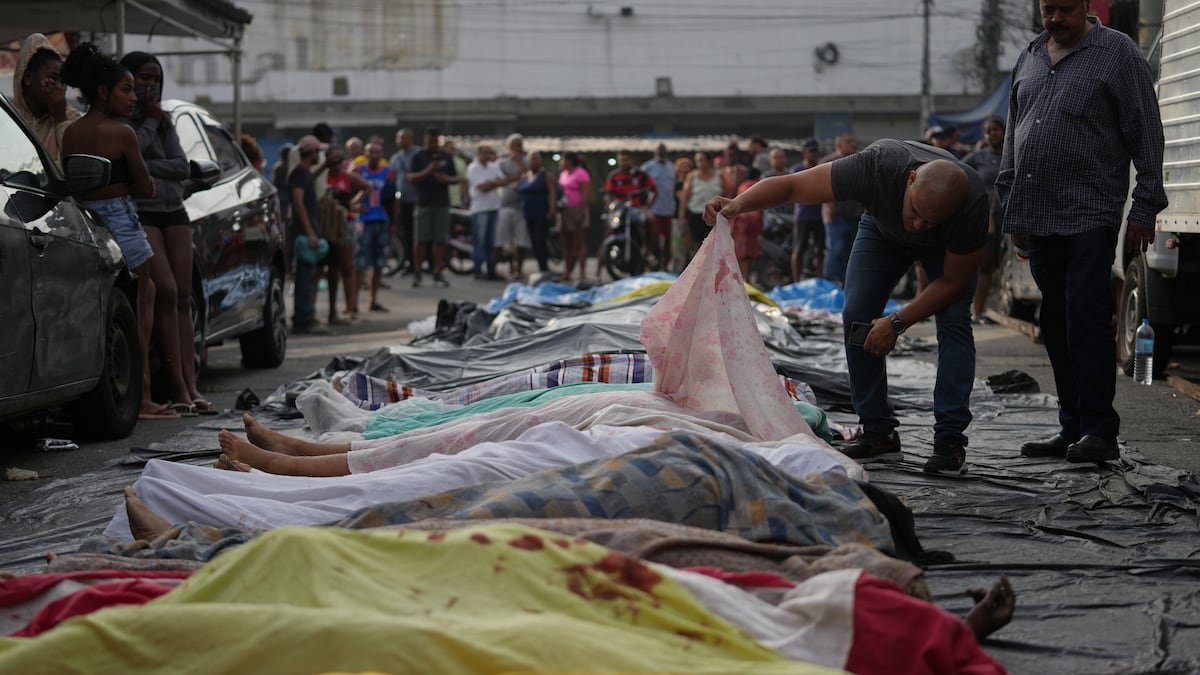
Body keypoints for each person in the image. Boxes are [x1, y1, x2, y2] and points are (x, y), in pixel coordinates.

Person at [707, 139, 989, 475]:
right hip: (882, 232)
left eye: (930, 221)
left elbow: (952, 283)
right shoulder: (876, 167)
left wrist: (897, 322)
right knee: (857, 314)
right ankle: (877, 430)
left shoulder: (971, 202)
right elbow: (791, 186)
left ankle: (950, 440)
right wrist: (738, 204)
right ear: (910, 179)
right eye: (915, 212)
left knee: (954, 320)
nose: (917, 226)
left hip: (943, 250)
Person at [999, 0, 1167, 464]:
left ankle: (1099, 429)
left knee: (1086, 317)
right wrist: (1014, 210)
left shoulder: (1118, 54)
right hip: (1038, 213)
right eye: (1048, 9)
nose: (1055, 19)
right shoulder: (1030, 56)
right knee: (1053, 322)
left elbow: (1146, 132)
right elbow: (1015, 134)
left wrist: (1146, 205)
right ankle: (1071, 426)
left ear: (1086, 7)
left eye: (1066, 9)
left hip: (1090, 211)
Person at [60, 43, 170, 420]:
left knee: (116, 307)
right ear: (103, 93)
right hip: (123, 219)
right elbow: (145, 186)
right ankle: (143, 398)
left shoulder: (71, 133)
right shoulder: (122, 133)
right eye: (126, 90)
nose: (133, 97)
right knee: (141, 307)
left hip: (87, 221)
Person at [120, 50, 212, 416]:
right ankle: (176, 388)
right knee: (167, 290)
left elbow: (180, 165)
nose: (149, 85)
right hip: (143, 212)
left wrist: (160, 130)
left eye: (155, 78)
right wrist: (149, 127)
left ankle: (192, 387)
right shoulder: (122, 121)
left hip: (175, 210)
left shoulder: (166, 120)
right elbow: (133, 159)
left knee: (184, 295)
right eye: (143, 78)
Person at [961, 117, 1006, 324]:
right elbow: (957, 173)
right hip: (986, 219)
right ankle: (976, 312)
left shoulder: (1013, 155)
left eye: (995, 130)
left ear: (1005, 131)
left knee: (1006, 266)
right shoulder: (978, 158)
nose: (992, 134)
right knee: (985, 266)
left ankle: (1004, 310)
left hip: (1010, 218)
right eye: (988, 131)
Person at [12, 33, 81, 164]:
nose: (59, 88)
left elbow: (76, 163)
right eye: (53, 78)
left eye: (62, 82)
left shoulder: (71, 117)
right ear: (27, 78)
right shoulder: (8, 116)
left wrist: (60, 118)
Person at [321, 145, 371, 323]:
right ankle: (332, 311)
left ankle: (350, 309)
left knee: (347, 268)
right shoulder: (322, 176)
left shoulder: (346, 176)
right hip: (326, 228)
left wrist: (352, 205)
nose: (336, 164)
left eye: (339, 161)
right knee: (331, 270)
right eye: (332, 160)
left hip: (345, 227)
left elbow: (367, 187)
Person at [288, 134, 330, 334]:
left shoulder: (304, 174)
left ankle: (306, 316)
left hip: (308, 232)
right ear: (310, 152)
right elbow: (298, 203)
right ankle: (303, 319)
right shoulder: (298, 174)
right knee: (304, 279)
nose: (319, 155)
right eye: (317, 152)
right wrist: (310, 231)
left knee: (309, 278)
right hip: (305, 234)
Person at [406, 127, 455, 288]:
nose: (433, 143)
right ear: (424, 140)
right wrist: (429, 170)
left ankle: (437, 271)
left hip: (441, 203)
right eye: (430, 140)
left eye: (435, 140)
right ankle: (418, 271)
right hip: (423, 203)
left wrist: (445, 178)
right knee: (420, 240)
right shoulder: (418, 156)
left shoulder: (446, 156)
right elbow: (410, 177)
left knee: (440, 240)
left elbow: (455, 177)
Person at [354, 142, 397, 316]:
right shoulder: (358, 171)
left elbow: (393, 200)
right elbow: (350, 193)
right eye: (371, 152)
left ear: (382, 155)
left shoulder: (388, 173)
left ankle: (373, 300)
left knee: (379, 263)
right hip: (363, 221)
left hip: (381, 220)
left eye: (377, 152)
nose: (374, 155)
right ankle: (353, 303)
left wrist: (394, 222)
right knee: (360, 263)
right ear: (366, 154)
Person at [821, 133, 864, 285]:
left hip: (856, 217)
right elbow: (821, 188)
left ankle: (847, 284)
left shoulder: (860, 162)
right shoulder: (829, 162)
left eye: (854, 140)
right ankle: (830, 284)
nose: (853, 144)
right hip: (836, 216)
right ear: (839, 145)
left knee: (851, 252)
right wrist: (830, 207)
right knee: (836, 249)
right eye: (849, 141)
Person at [467, 143, 505, 280]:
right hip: (479, 209)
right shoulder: (473, 168)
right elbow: (482, 187)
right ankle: (477, 270)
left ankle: (491, 270)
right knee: (480, 241)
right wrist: (494, 183)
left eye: (490, 152)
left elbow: (502, 181)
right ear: (479, 154)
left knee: (491, 242)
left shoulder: (493, 167)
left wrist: (491, 183)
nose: (488, 155)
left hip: (493, 207)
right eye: (486, 153)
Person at [496, 134, 531, 280]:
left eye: (520, 144)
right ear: (510, 147)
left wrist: (520, 164)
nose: (518, 147)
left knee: (521, 241)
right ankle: (505, 267)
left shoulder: (527, 161)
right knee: (505, 240)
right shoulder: (502, 163)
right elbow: (500, 180)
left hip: (521, 207)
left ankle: (519, 268)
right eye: (515, 145)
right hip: (504, 205)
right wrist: (517, 177)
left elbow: (529, 176)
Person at [518, 150, 559, 275]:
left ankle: (544, 267)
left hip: (541, 212)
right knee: (534, 241)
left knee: (540, 239)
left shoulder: (545, 174)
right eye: (532, 158)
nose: (535, 161)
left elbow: (552, 192)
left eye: (537, 158)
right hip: (528, 213)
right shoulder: (525, 176)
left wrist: (552, 208)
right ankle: (541, 266)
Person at [679, 151, 723, 263]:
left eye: (701, 160)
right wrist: (682, 215)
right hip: (696, 214)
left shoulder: (719, 175)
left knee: (714, 244)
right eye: (697, 161)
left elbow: (728, 194)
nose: (699, 163)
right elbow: (685, 197)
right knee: (697, 244)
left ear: (709, 161)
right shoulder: (692, 176)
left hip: (714, 215)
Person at [791, 139, 825, 281]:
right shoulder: (796, 170)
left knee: (820, 250)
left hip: (819, 215)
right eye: (811, 151)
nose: (814, 154)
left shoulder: (822, 168)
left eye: (815, 151)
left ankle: (820, 278)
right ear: (804, 152)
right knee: (799, 249)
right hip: (803, 215)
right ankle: (796, 280)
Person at [389, 128, 420, 275]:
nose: (401, 141)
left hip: (418, 200)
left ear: (410, 139)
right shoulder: (395, 158)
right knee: (405, 233)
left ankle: (419, 264)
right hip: (402, 201)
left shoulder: (419, 154)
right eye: (399, 138)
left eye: (404, 138)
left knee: (418, 234)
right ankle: (409, 264)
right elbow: (391, 178)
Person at [641, 144, 677, 269]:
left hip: (669, 209)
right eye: (659, 151)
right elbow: (641, 188)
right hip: (654, 209)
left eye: (663, 151)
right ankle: (652, 265)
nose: (661, 153)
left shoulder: (672, 167)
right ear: (655, 152)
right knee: (653, 239)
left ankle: (665, 266)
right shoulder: (647, 167)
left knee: (668, 241)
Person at [557, 153, 591, 282]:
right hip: (565, 211)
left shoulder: (581, 173)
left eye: (563, 160)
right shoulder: (563, 174)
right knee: (567, 244)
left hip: (577, 210)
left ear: (570, 161)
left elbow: (585, 193)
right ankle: (568, 272)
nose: (561, 162)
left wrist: (581, 212)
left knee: (579, 242)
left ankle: (583, 273)